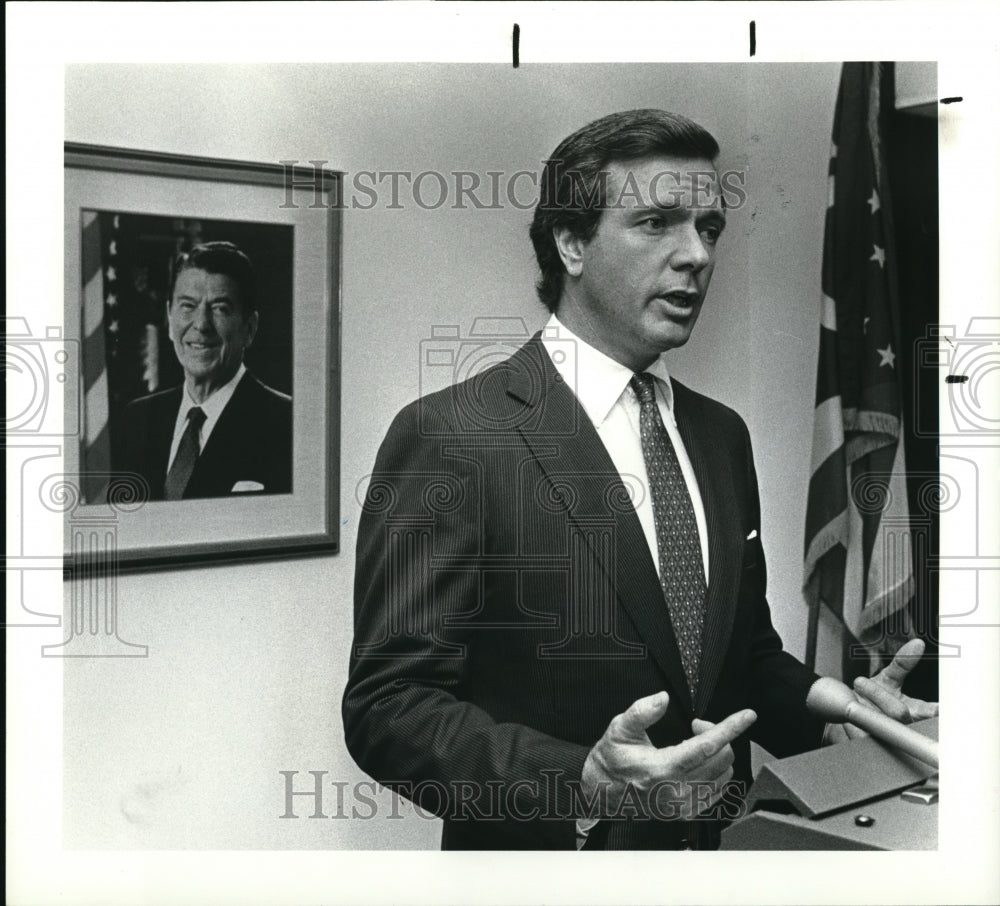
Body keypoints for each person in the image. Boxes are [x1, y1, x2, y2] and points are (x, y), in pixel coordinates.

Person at [342, 110, 937, 850]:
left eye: (710, 228)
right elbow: (389, 707)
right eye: (656, 223)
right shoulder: (455, 434)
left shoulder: (719, 434)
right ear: (570, 243)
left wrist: (840, 711)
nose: (695, 255)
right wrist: (583, 780)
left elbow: (738, 658)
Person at [120, 241, 292, 501]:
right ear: (169, 318)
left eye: (220, 308)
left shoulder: (287, 424)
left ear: (249, 328)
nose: (201, 324)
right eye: (188, 306)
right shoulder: (137, 418)